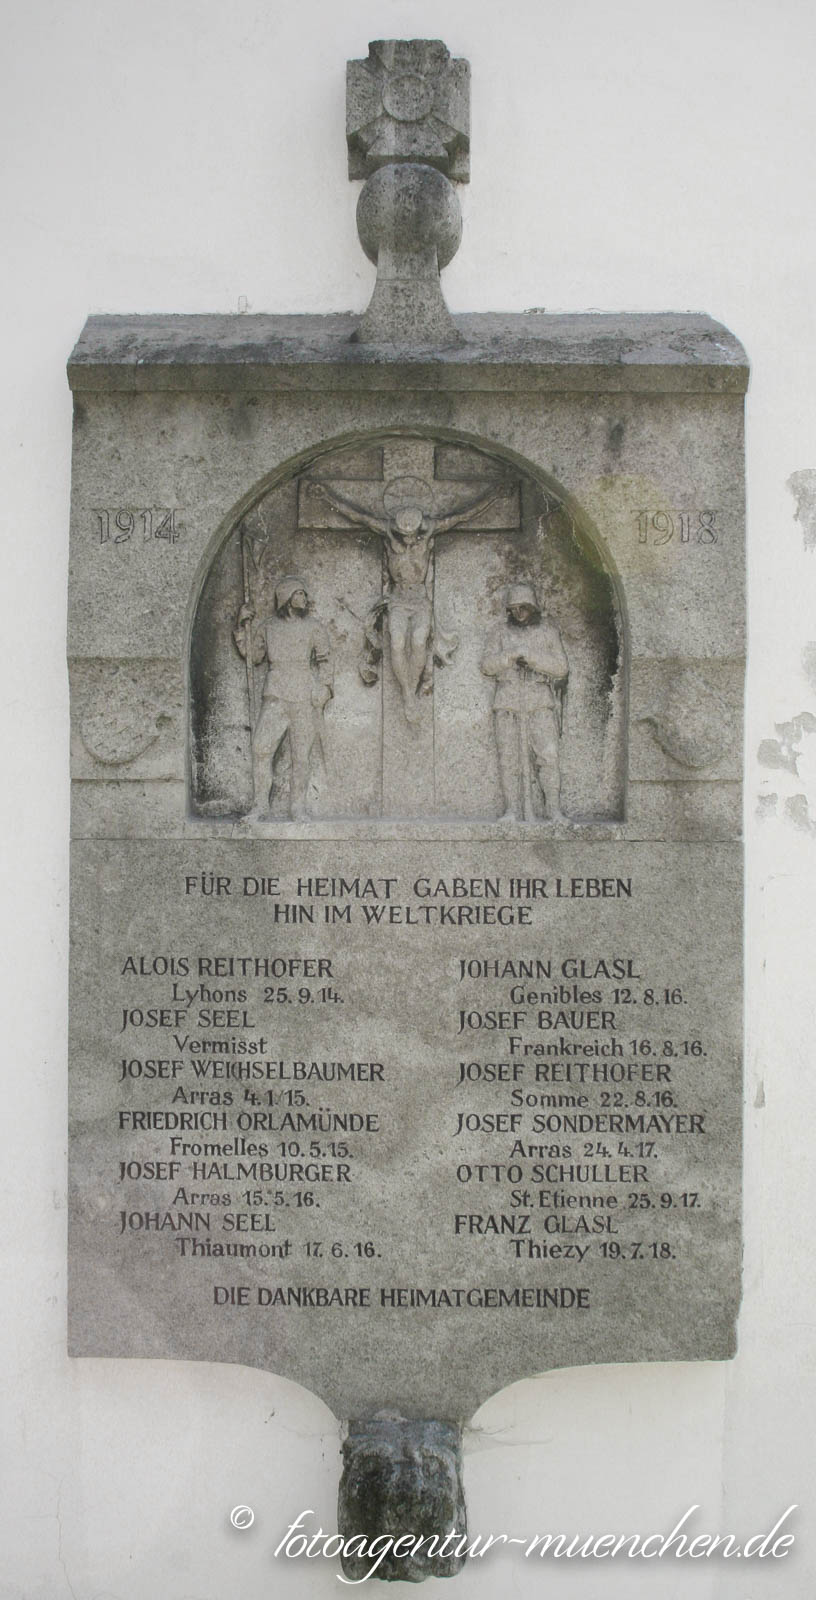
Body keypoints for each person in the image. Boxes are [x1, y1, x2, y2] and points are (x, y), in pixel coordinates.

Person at [311, 477, 513, 724]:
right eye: (403, 534)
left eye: (412, 535)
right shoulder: (387, 532)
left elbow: (461, 516)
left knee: (418, 641)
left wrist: (493, 496)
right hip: (397, 600)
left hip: (419, 600)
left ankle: (412, 690)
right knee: (396, 643)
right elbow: (359, 517)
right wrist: (326, 497)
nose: (407, 539)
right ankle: (409, 696)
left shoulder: (430, 532)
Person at [234, 576, 332, 819]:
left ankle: (298, 807)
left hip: (304, 695)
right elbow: (253, 656)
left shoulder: (314, 627)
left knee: (301, 756)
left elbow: (325, 661)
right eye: (299, 593)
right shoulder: (268, 626)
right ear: (286, 598)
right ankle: (260, 805)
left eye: (304, 594)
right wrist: (241, 625)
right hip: (276, 694)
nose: (304, 598)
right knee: (260, 749)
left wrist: (325, 687)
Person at [481, 582, 568, 821]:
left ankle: (553, 808)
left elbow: (561, 667)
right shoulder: (499, 632)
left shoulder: (548, 631)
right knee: (508, 758)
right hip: (507, 700)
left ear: (532, 607)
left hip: (539, 700)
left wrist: (532, 658)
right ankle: (511, 809)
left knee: (548, 756)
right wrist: (509, 656)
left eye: (523, 607)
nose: (518, 613)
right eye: (514, 608)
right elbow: (486, 665)